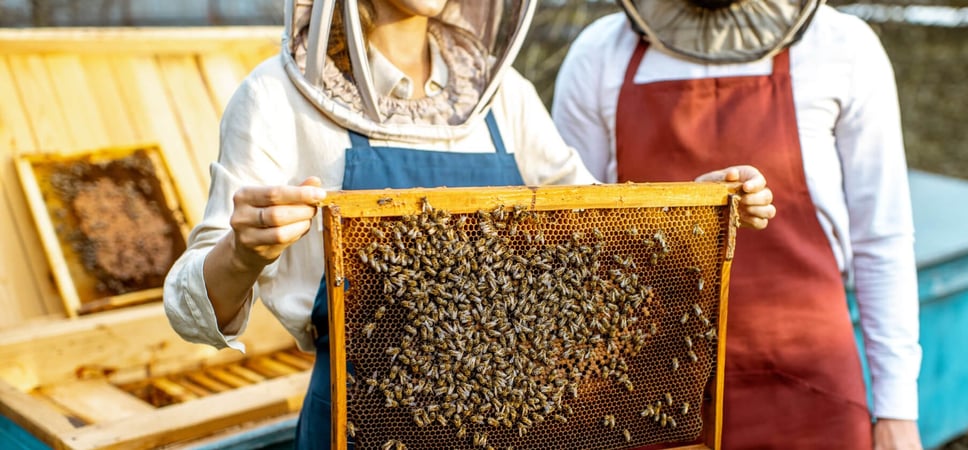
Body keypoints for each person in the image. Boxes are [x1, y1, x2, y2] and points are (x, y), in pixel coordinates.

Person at [163, 1, 775, 448]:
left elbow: (600, 231)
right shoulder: (275, 97)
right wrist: (243, 253)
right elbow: (190, 309)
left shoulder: (502, 95)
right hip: (358, 428)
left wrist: (692, 210)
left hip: (522, 427)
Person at [552, 1, 923, 449]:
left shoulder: (843, 47)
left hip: (809, 393)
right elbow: (569, 239)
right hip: (643, 398)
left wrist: (897, 411)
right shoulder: (599, 53)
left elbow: (881, 239)